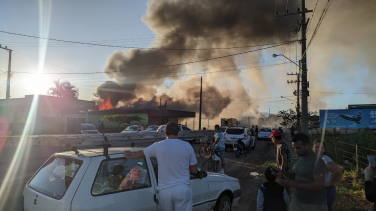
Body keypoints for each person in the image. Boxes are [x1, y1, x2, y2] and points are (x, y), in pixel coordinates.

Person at [123, 122, 198, 211]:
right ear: (178, 133)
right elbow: (194, 170)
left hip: (165, 191)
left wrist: (129, 156)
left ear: (165, 133)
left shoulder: (158, 146)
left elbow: (142, 153)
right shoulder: (187, 146)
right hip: (183, 189)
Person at [277, 133, 327, 211]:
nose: (296, 150)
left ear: (307, 145)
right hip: (297, 200)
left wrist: (293, 184)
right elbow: (296, 176)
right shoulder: (300, 158)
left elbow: (319, 186)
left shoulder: (317, 161)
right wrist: (282, 173)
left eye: (298, 148)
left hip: (313, 205)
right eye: (294, 148)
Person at [312, 140, 342, 211]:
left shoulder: (324, 158)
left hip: (325, 191)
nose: (319, 149)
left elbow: (337, 171)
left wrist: (330, 183)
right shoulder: (313, 159)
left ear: (324, 149)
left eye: (321, 148)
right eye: (316, 147)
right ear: (312, 148)